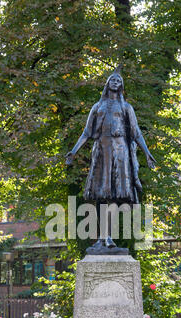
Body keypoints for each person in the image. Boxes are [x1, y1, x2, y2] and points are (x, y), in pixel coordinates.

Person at [66, 70, 156, 250]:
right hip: (102, 150)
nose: (115, 82)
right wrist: (73, 151)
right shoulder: (97, 107)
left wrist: (146, 153)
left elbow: (136, 132)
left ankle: (108, 237)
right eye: (112, 79)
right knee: (101, 193)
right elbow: (87, 132)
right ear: (107, 84)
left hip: (120, 151)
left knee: (115, 195)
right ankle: (102, 237)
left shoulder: (126, 107)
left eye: (118, 80)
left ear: (121, 85)